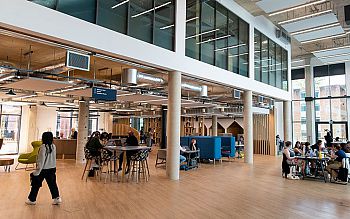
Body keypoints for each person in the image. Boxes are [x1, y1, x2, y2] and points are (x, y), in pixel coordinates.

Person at [26, 132, 61, 205]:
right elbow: (53, 159)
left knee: (36, 184)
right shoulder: (53, 146)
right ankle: (57, 198)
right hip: (52, 168)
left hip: (43, 169)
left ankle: (32, 200)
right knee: (52, 184)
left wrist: (37, 171)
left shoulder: (43, 147)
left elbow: (41, 160)